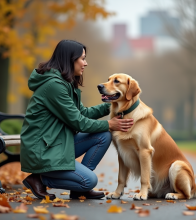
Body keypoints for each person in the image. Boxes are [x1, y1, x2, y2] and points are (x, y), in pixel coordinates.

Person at [20, 39, 134, 200]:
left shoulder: (65, 83)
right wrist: (110, 124)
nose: (85, 63)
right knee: (90, 180)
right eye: (82, 58)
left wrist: (114, 105)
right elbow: (78, 122)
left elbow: (82, 113)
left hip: (56, 142)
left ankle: (79, 187)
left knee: (103, 135)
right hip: (43, 148)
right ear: (70, 59)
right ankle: (38, 178)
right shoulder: (54, 86)